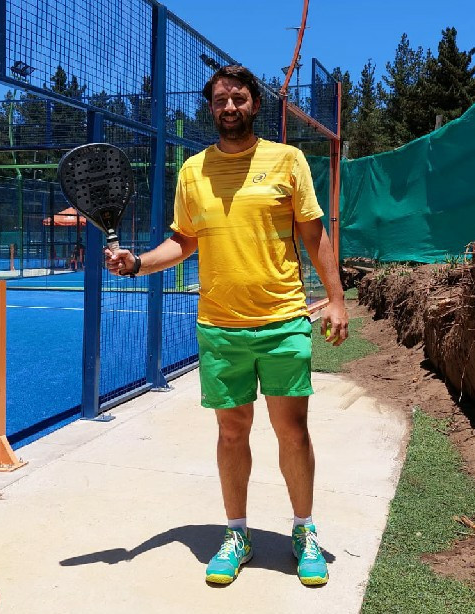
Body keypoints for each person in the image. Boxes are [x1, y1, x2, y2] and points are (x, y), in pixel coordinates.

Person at [105, 65, 348, 586]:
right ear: (210, 108)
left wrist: (335, 299)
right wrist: (137, 263)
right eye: (220, 100)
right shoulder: (193, 171)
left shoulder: (288, 160)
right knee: (232, 432)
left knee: (292, 431)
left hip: (283, 319)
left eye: (238, 98)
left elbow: (314, 234)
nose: (230, 107)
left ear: (254, 104)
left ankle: (304, 530)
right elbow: (183, 241)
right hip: (219, 326)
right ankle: (237, 533)